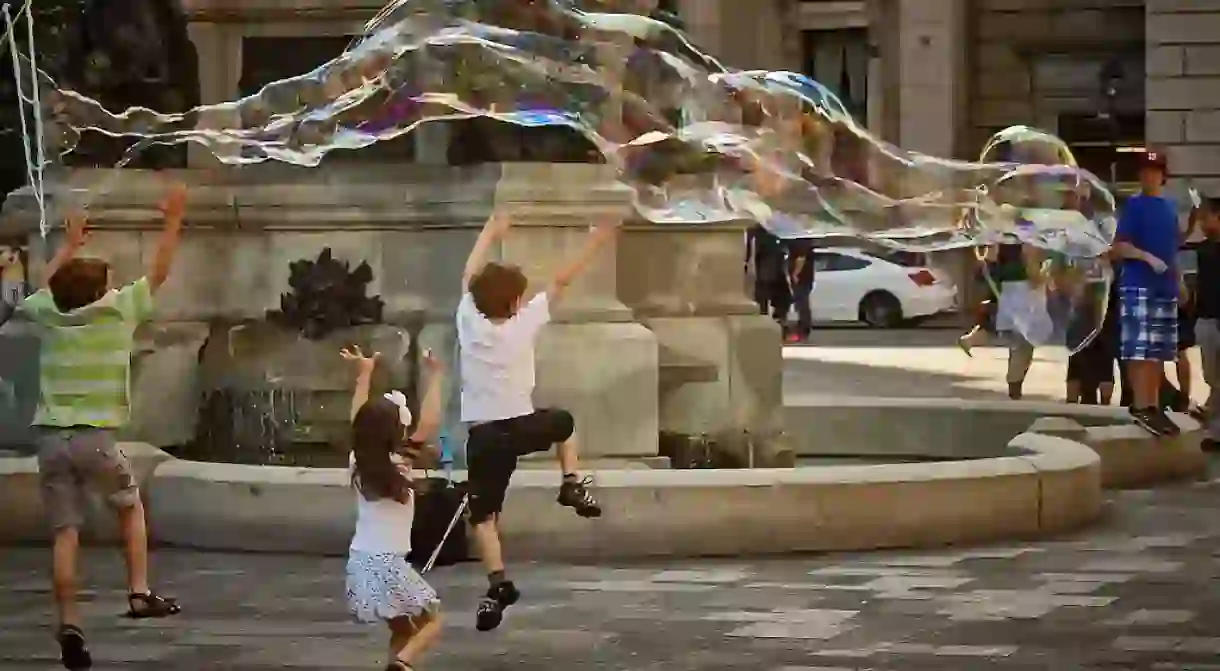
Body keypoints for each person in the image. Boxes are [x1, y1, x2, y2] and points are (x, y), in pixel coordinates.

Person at [20, 186, 186, 671]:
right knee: (130, 506)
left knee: (65, 532)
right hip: (95, 438)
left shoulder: (48, 315)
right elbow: (159, 271)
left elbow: (42, 288)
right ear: (101, 294)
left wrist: (69, 246)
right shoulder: (116, 313)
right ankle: (139, 591)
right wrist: (173, 219)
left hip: (50, 439)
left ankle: (69, 621)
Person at [458, 211, 614, 632]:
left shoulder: (467, 320)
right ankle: (570, 482)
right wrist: (597, 241)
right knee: (563, 422)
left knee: (484, 515)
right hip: (521, 427)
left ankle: (497, 583)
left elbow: (469, 272)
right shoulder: (522, 324)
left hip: (485, 437)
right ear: (513, 304)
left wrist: (490, 229)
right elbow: (561, 281)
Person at [340, 344, 446, 671]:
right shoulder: (399, 464)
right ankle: (401, 664)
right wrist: (437, 376)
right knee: (434, 622)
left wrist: (365, 375)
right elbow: (428, 423)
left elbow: (358, 418)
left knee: (403, 628)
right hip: (387, 565)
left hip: (360, 564)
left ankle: (398, 663)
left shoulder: (357, 461)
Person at [1112, 150, 1181, 436]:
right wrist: (1146, 258)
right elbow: (1118, 246)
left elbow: (1172, 247)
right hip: (1138, 283)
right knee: (1139, 348)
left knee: (1157, 350)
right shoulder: (1134, 206)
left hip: (1164, 286)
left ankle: (1153, 405)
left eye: (1154, 170)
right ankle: (1141, 405)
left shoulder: (1169, 207)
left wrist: (1180, 280)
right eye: (1144, 170)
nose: (1148, 175)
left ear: (1163, 175)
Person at [958, 243, 1039, 400]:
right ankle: (1014, 389)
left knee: (1019, 343)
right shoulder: (1009, 245)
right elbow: (986, 271)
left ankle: (971, 340)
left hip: (1015, 297)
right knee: (1022, 345)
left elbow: (985, 271)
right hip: (1014, 298)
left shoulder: (1011, 240)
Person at [1193, 196, 1220, 450]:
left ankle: (1215, 431)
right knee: (1212, 377)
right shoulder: (1203, 249)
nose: (1202, 221)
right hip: (1206, 320)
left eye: (1206, 216)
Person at [745, 223, 790, 327]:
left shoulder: (757, 232)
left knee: (765, 296)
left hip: (767, 270)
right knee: (771, 295)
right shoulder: (768, 233)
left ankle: (767, 318)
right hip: (768, 270)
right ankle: (773, 318)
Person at [784, 237, 815, 343]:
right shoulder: (801, 239)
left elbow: (801, 258)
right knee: (800, 302)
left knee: (802, 303)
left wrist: (795, 273)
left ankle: (803, 330)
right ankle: (802, 329)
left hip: (802, 277)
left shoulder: (802, 240)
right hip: (802, 277)